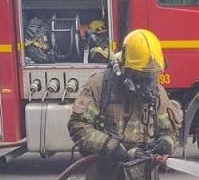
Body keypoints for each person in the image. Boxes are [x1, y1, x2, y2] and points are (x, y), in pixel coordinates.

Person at [68, 29, 182, 179]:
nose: (148, 83)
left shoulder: (157, 93)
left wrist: (166, 144)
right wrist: (108, 145)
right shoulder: (99, 86)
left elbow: (171, 132)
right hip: (105, 173)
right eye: (142, 76)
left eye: (152, 76)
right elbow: (77, 125)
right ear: (124, 69)